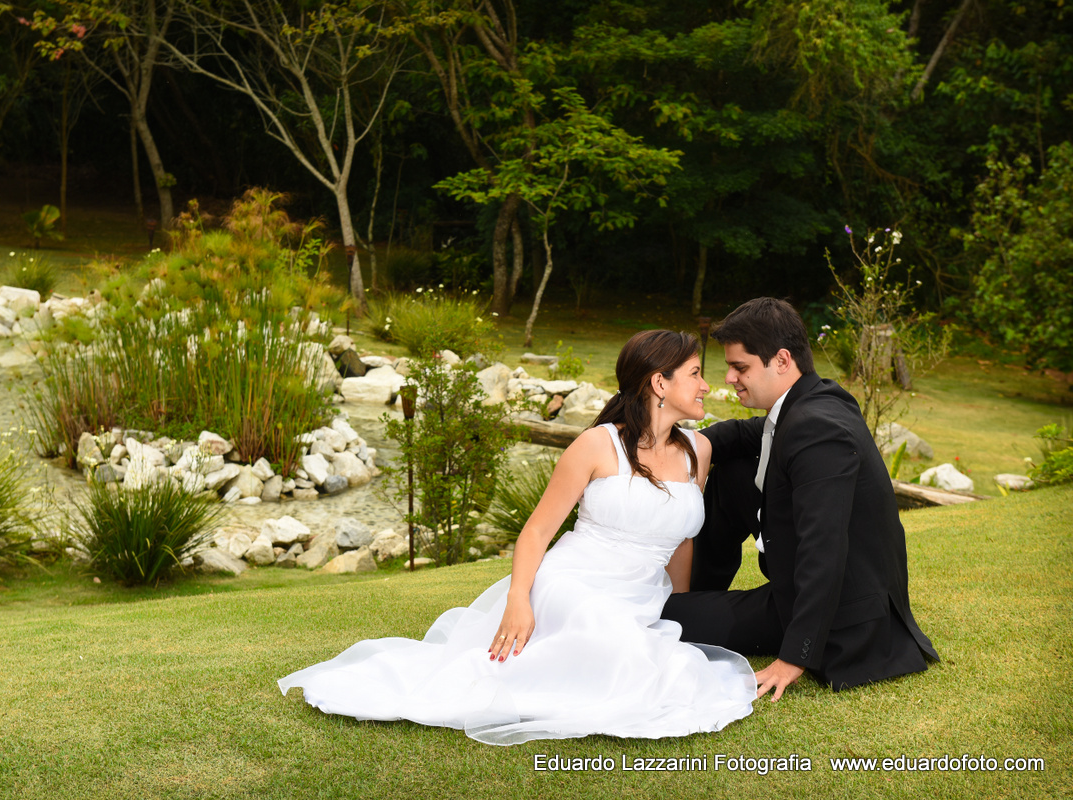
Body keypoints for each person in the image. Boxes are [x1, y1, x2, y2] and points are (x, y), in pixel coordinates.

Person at [279, 330, 757, 745]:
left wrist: (680, 608)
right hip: (574, 581)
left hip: (643, 593)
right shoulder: (597, 445)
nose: (706, 385)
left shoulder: (698, 450)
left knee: (660, 664)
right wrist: (518, 599)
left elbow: (680, 540)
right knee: (604, 643)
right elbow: (537, 531)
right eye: (696, 373)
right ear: (660, 383)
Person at [663, 298, 939, 701]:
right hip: (796, 571)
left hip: (842, 614)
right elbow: (748, 433)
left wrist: (795, 656)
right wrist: (680, 447)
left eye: (740, 367)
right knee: (735, 471)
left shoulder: (817, 429)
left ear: (781, 360)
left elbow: (824, 547)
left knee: (663, 617)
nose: (729, 378)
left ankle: (689, 607)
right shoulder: (810, 401)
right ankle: (698, 591)